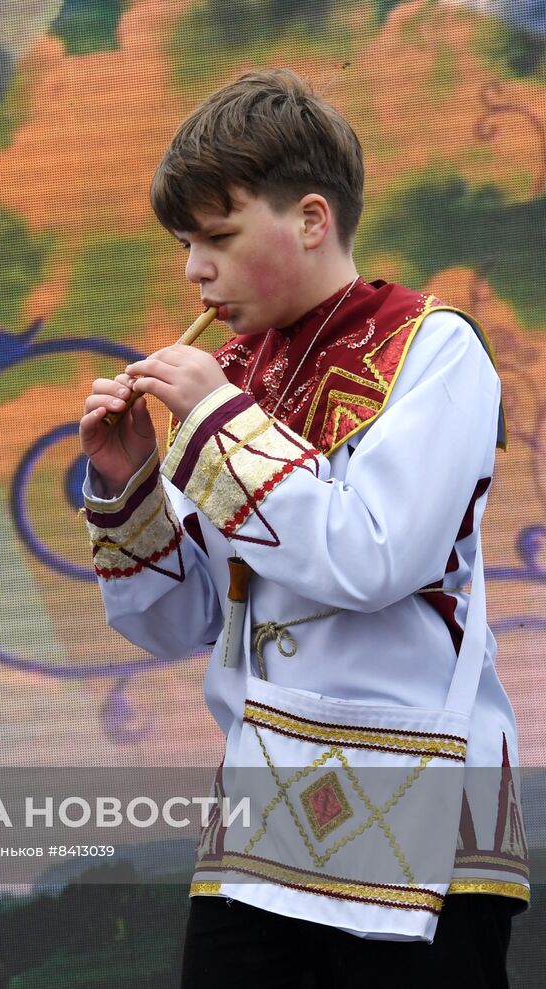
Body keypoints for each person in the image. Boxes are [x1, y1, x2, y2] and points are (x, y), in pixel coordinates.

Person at [79, 69, 527, 987]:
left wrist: (220, 424)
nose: (194, 271)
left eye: (218, 237)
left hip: (426, 823)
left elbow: (372, 559)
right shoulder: (232, 377)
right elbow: (183, 622)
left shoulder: (435, 348)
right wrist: (125, 483)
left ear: (312, 220)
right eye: (184, 243)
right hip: (256, 829)